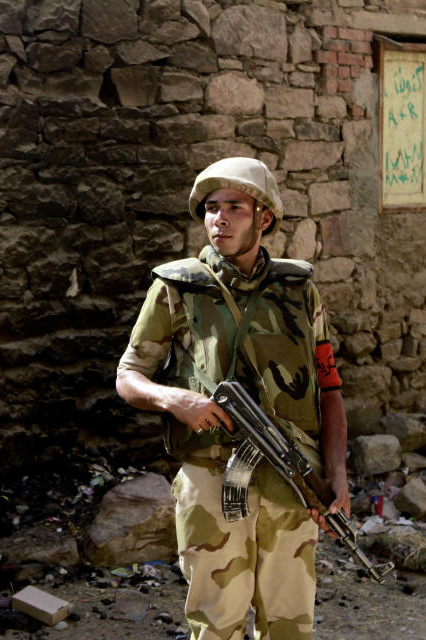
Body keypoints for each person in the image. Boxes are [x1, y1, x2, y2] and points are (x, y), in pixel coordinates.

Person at [115, 157, 349, 640]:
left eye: (235, 208)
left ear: (264, 218)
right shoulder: (176, 288)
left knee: (289, 624)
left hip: (292, 477)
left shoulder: (299, 290)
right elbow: (129, 375)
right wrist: (178, 402)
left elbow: (329, 389)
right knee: (216, 624)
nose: (218, 218)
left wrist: (338, 475)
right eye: (211, 208)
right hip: (213, 477)